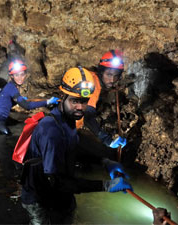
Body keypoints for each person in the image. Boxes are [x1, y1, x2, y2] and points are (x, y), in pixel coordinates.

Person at [20, 67, 133, 225]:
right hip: (39, 198)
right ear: (62, 96)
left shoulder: (68, 119)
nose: (80, 107)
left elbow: (74, 148)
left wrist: (104, 162)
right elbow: (57, 181)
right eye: (75, 101)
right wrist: (105, 185)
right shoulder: (51, 131)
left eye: (84, 101)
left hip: (60, 194)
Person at [0, 59, 59, 135]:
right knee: (8, 136)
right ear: (12, 76)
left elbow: (6, 103)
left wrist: (17, 101)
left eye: (22, 74)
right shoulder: (12, 88)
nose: (20, 78)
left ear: (25, 74)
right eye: (17, 75)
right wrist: (47, 102)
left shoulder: (11, 86)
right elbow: (27, 106)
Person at [76, 50, 127, 149]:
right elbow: (87, 116)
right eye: (109, 75)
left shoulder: (92, 76)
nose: (112, 80)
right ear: (101, 71)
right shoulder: (93, 83)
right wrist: (106, 139)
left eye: (116, 76)